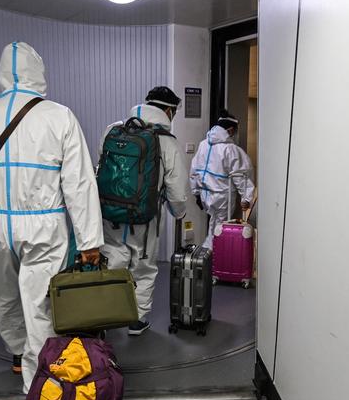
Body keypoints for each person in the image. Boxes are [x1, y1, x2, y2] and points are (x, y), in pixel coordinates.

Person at [0, 42, 103, 393]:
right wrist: (89, 241)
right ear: (38, 74)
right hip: (43, 222)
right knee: (41, 302)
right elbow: (79, 183)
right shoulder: (58, 115)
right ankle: (41, 387)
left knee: (4, 296)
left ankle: (18, 352)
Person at [99, 86, 188, 336]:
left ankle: (103, 318)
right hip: (144, 218)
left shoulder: (113, 130)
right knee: (144, 267)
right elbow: (178, 190)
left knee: (111, 260)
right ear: (168, 110)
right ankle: (136, 321)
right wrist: (178, 213)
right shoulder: (168, 142)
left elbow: (101, 166)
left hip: (110, 212)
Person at [190, 109, 255, 250]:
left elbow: (194, 170)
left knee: (213, 226)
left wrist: (195, 192)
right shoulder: (230, 150)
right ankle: (213, 260)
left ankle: (207, 258)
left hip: (205, 195)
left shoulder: (203, 145)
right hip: (223, 197)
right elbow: (241, 176)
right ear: (230, 131)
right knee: (219, 230)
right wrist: (246, 198)